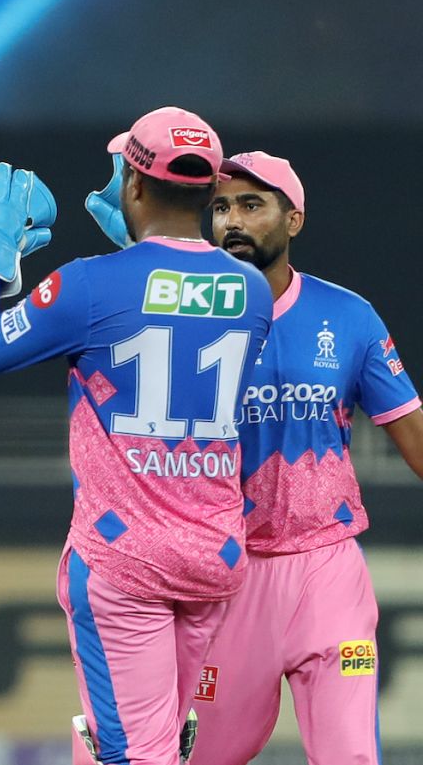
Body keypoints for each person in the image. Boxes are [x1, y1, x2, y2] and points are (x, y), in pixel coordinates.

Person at [0, 107, 273, 765]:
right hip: (215, 555)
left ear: (133, 184)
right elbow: (171, 306)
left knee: (134, 756)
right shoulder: (251, 289)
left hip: (126, 561)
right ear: (210, 190)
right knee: (158, 747)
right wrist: (135, 249)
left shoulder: (90, 284)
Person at [179, 152, 422, 764]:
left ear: (294, 220)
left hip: (327, 566)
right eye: (220, 207)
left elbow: (415, 439)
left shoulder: (348, 317)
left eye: (251, 205)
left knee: (350, 756)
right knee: (199, 755)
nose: (231, 220)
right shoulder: (181, 316)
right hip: (226, 572)